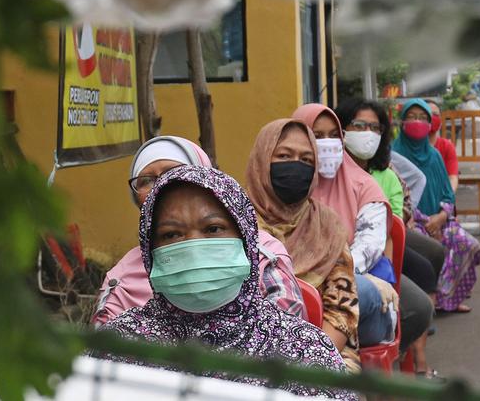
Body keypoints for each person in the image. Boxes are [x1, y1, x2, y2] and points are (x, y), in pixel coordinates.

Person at [103, 165, 356, 400]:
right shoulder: (118, 347)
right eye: (171, 234)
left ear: (246, 239)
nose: (193, 248)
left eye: (213, 229)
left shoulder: (301, 350)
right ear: (149, 251)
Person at [92, 136, 305, 326]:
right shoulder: (122, 280)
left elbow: (288, 324)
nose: (159, 185)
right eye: (146, 180)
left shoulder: (263, 256)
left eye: (212, 229)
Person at [243, 119, 363, 369]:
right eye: (284, 155)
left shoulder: (327, 226)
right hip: (246, 352)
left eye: (307, 160)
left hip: (323, 350)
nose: (296, 165)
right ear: (263, 160)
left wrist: (311, 361)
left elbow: (342, 310)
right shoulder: (232, 223)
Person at [334, 98, 440, 377]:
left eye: (374, 127)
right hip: (325, 266)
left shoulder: (383, 174)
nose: (367, 133)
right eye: (359, 125)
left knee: (417, 297)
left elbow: (394, 217)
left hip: (371, 257)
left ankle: (386, 359)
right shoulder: (321, 173)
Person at [293, 103, 398, 348]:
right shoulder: (285, 189)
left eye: (333, 136)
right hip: (297, 292)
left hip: (354, 290)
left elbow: (369, 248)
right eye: (316, 136)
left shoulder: (364, 185)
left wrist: (321, 275)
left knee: (359, 289)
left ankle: (319, 359)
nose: (327, 143)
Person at [393, 98, 480, 315]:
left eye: (423, 118)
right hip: (412, 221)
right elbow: (395, 199)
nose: (417, 122)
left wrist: (442, 216)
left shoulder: (434, 155)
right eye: (412, 117)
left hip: (440, 219)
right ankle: (428, 302)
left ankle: (450, 297)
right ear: (402, 122)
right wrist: (426, 221)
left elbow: (447, 193)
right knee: (426, 247)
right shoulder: (392, 155)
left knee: (466, 243)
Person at [425, 99, 459, 190]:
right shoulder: (409, 147)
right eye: (427, 115)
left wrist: (449, 198)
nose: (432, 118)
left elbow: (452, 177)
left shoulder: (446, 146)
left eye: (435, 115)